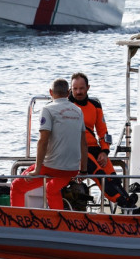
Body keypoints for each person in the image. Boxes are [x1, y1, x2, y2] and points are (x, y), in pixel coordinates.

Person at [68, 72, 140, 214]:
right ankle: (127, 205)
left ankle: (130, 204)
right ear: (70, 89)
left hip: (95, 149)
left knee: (112, 176)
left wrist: (104, 151)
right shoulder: (67, 106)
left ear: (88, 87)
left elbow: (103, 132)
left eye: (81, 88)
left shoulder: (95, 106)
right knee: (101, 175)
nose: (78, 92)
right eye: (75, 88)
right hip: (78, 150)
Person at [10, 78, 87, 210]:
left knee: (16, 186)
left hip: (52, 167)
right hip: (72, 169)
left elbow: (43, 141)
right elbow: (84, 144)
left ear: (51, 92)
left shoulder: (48, 109)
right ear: (68, 92)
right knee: (51, 189)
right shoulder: (78, 111)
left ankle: (18, 221)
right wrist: (83, 171)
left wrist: (37, 169)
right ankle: (59, 222)